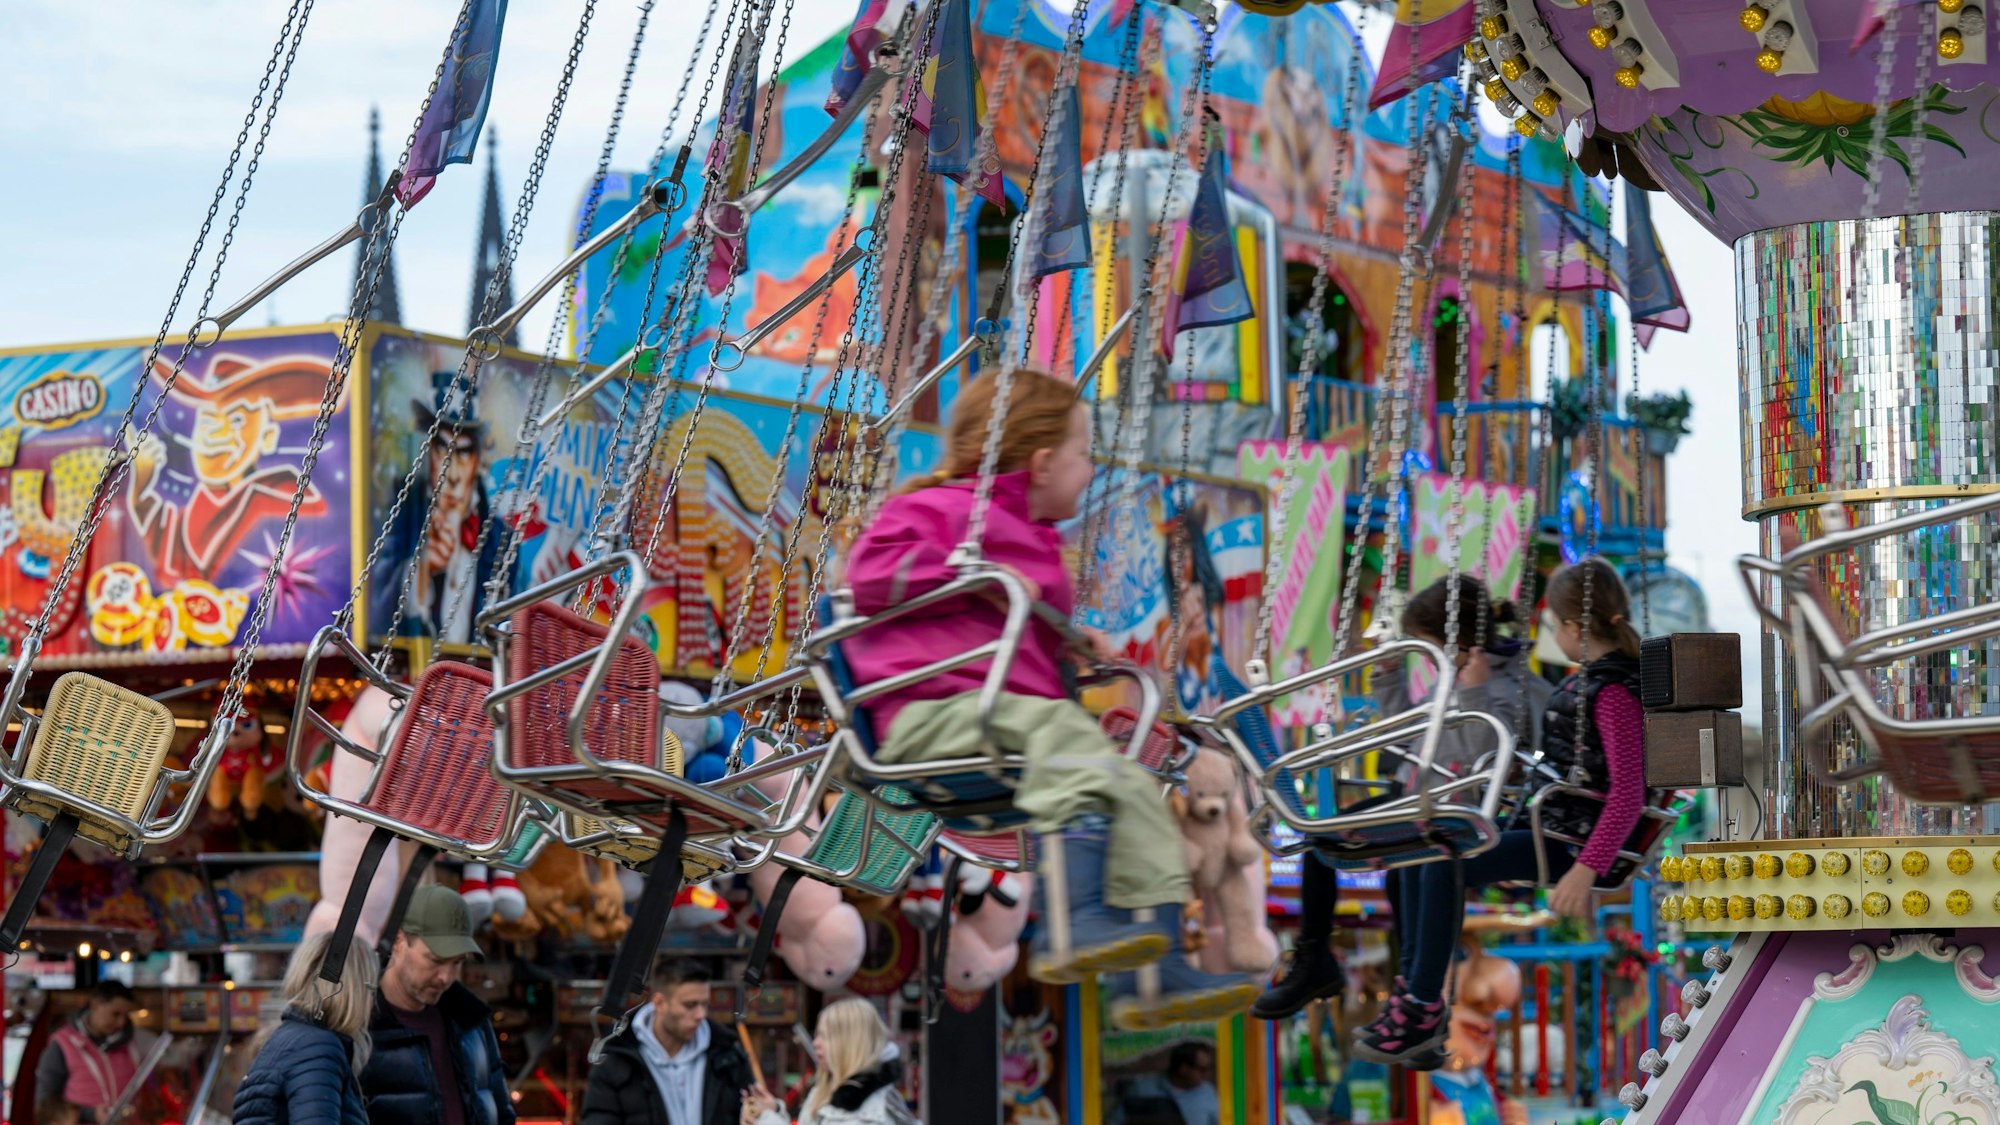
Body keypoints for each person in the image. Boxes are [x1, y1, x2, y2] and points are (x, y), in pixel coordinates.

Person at [839, 369, 1252, 1028]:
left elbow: (1011, 628)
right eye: (1083, 454)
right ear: (1039, 463)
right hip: (936, 719)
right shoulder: (941, 511)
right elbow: (864, 578)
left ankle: (1151, 962)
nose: (1091, 471)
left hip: (1010, 724)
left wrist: (1069, 640)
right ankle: (1082, 921)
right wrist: (967, 575)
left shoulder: (1037, 541)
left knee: (1130, 787)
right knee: (1081, 758)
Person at [1351, 559, 1647, 1068]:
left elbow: (1628, 793)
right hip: (1555, 828)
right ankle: (1417, 1000)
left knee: (1443, 857)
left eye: (1554, 625)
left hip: (1572, 842)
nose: (1553, 635)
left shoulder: (1613, 692)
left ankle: (1422, 1004)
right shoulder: (1591, 684)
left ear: (1575, 628)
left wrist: (1585, 868)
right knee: (1424, 851)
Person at [1254, 575, 1550, 1020]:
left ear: (1455, 639)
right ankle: (1319, 959)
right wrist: (1389, 679)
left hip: (1452, 806)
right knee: (1325, 842)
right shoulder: (1456, 677)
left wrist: (1473, 686)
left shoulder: (1507, 687)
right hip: (1417, 793)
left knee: (1406, 867)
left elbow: (1484, 758)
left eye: (1428, 645)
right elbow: (1408, 738)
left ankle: (1416, 992)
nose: (1431, 661)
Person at [359, 885, 515, 1125]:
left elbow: (500, 1111)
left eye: (457, 963)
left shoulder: (472, 1020)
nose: (446, 976)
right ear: (399, 942)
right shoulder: (358, 1024)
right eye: (436, 960)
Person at [372, 371, 502, 645]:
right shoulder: (398, 515)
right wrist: (421, 570)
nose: (452, 474)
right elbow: (371, 609)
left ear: (478, 459)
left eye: (463, 453)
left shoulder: (499, 539)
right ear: (428, 453)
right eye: (443, 450)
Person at [581, 959, 756, 1125]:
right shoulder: (616, 1060)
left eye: (705, 1005)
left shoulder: (728, 1056)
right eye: (690, 1005)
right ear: (660, 1003)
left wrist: (771, 1110)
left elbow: (753, 1111)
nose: (700, 1015)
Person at [231, 931, 377, 1125]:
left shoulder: (288, 1040)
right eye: (371, 988)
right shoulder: (317, 1047)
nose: (373, 1002)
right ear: (353, 989)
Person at [742, 998, 915, 1125]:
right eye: (817, 1035)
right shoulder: (826, 1091)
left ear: (851, 1042)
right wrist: (774, 1110)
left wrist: (767, 1118)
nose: (815, 1043)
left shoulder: (871, 1112)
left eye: (825, 1036)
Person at [35, 980, 152, 1124]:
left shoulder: (134, 1042)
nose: (121, 1022)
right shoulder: (62, 1044)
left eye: (126, 1016)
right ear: (95, 1005)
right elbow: (46, 1104)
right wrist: (91, 1114)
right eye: (115, 1014)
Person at [1108, 1043, 1220, 1125]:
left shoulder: (1207, 1092)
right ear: (1183, 1068)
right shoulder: (1142, 1089)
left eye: (1210, 1069)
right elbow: (1115, 1121)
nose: (1206, 1075)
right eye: (1202, 1070)